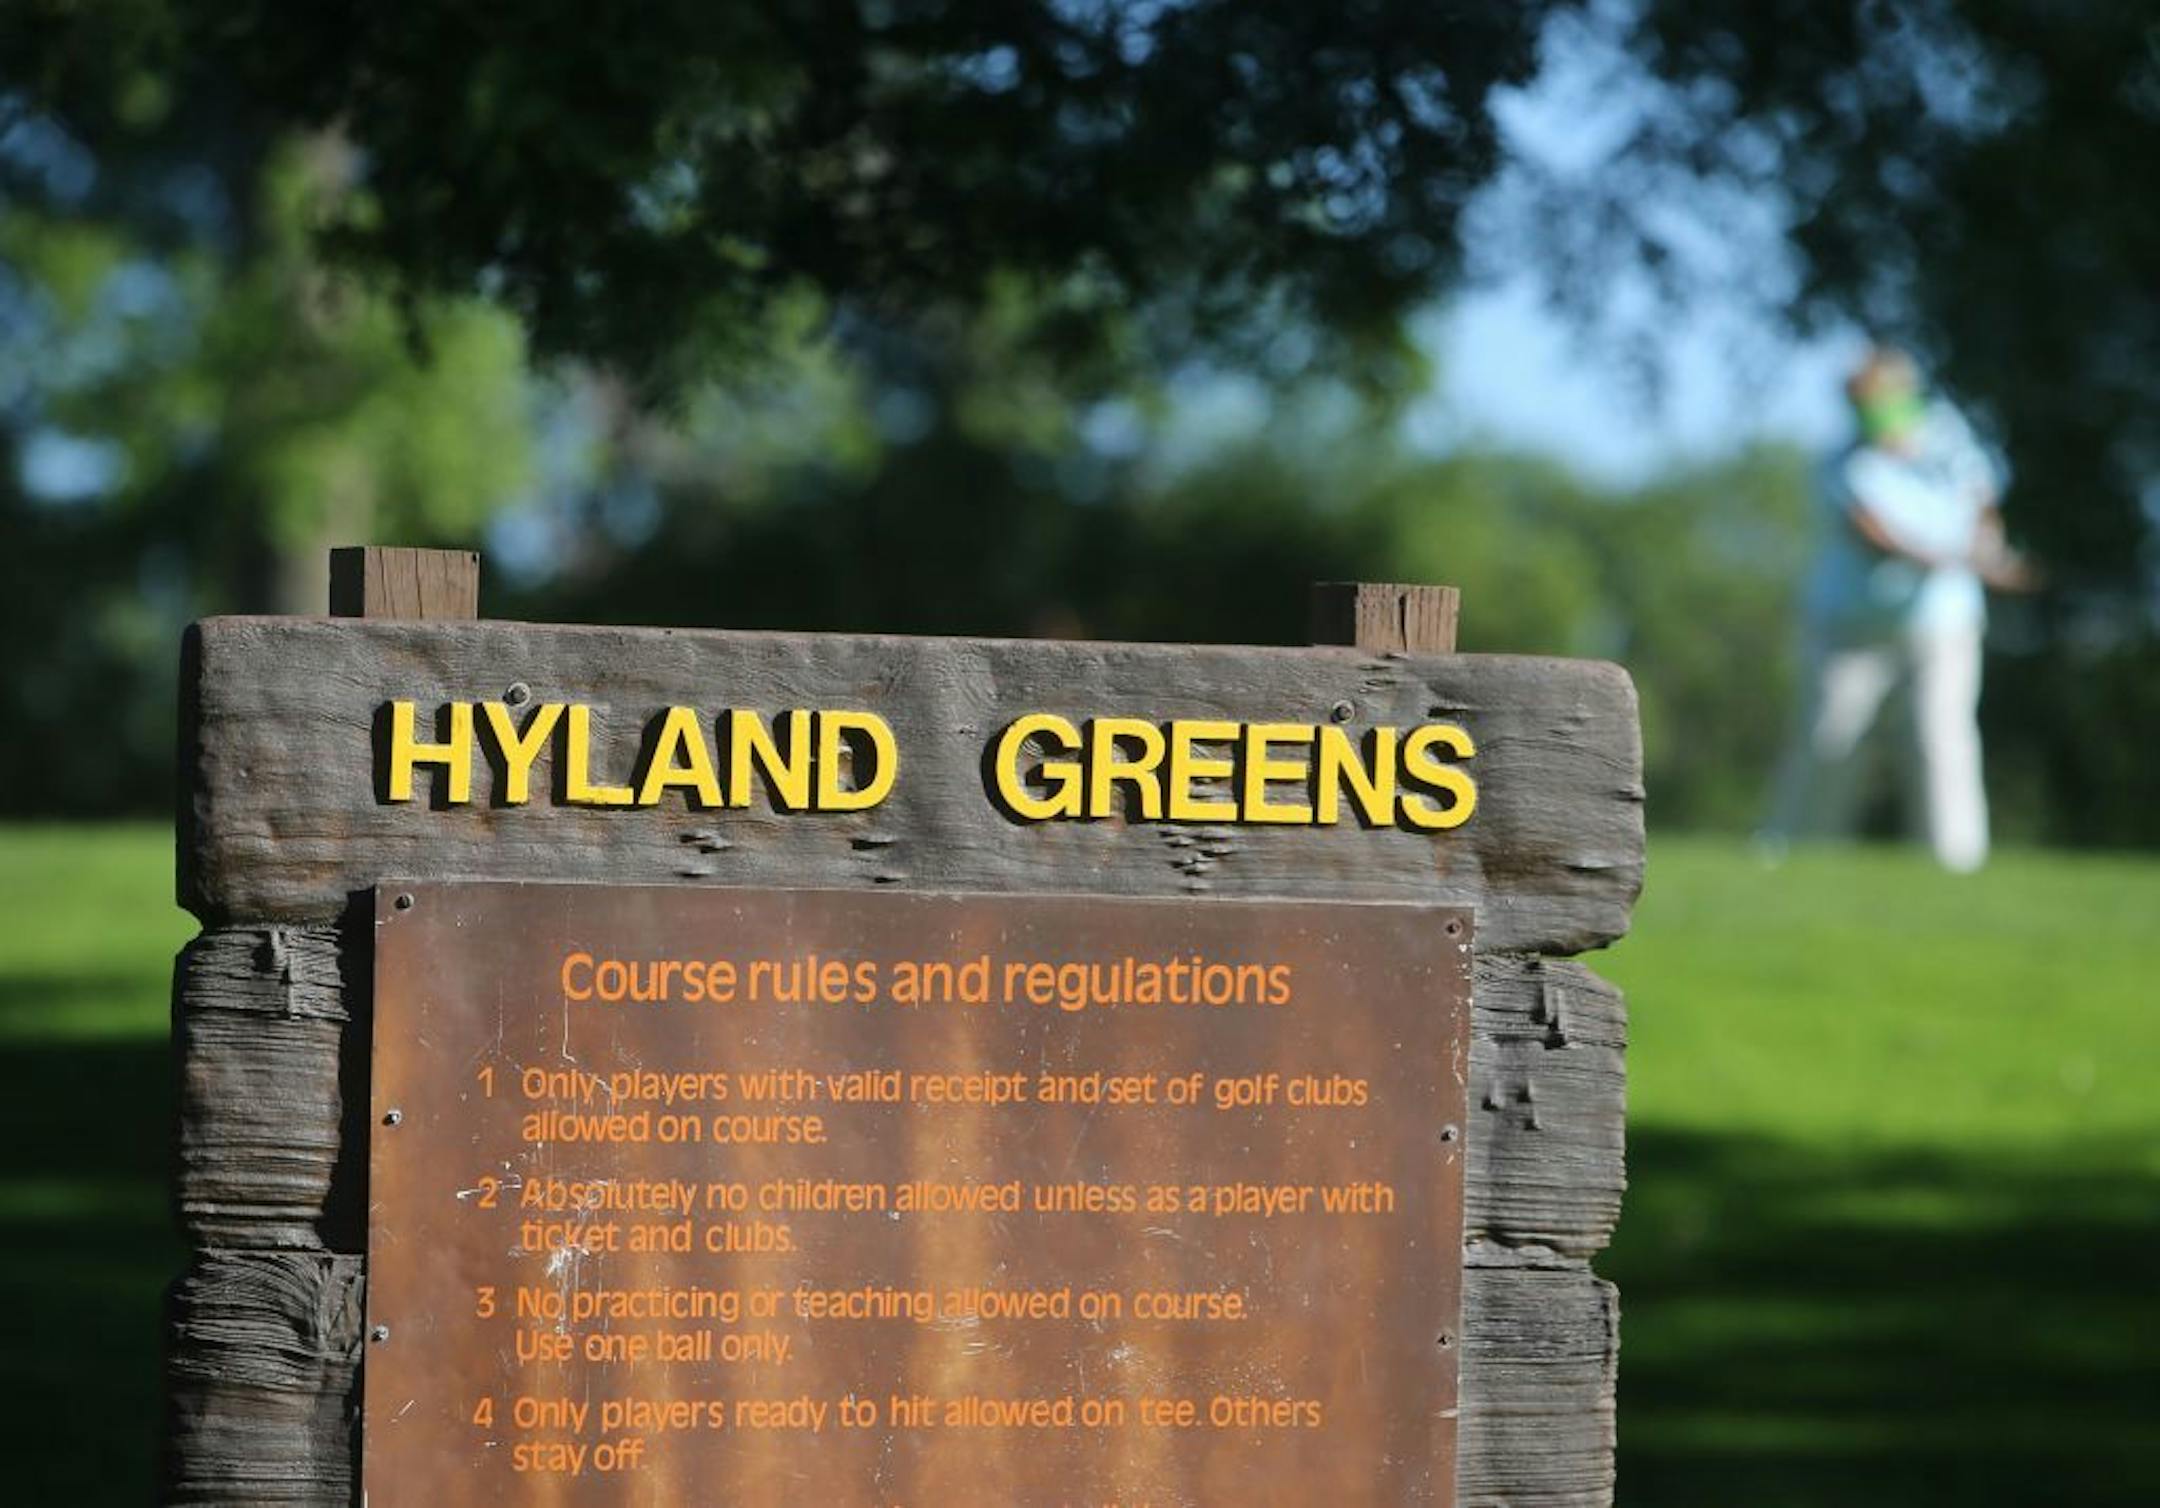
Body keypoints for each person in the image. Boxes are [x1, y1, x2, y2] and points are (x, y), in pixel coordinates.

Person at [1763, 346, 2036, 872]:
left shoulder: (1949, 436)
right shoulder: (1840, 463)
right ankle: (1796, 855)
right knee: (1830, 738)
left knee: (1940, 735)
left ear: (1904, 399)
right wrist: (1960, 559)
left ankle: (1956, 864)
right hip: (1851, 626)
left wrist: (1987, 543)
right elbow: (1875, 535)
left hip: (1941, 622)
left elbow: (1982, 500)